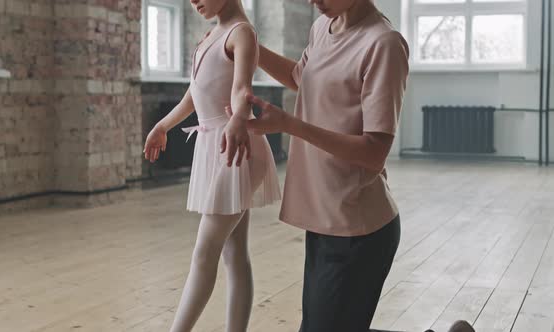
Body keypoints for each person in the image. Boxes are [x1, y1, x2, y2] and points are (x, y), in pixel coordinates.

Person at [229, 0, 409, 330]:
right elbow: (302, 77)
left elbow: (374, 152)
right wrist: (250, 48)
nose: (313, 1)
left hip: (358, 227)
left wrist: (291, 124)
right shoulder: (322, 29)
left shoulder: (383, 44)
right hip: (323, 218)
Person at [142, 0, 281, 331]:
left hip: (236, 148)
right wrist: (163, 125)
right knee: (234, 254)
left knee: (205, 253)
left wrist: (237, 117)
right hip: (217, 146)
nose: (193, 0)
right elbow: (194, 94)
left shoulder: (242, 33)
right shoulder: (210, 35)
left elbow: (242, 88)